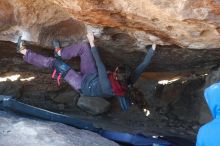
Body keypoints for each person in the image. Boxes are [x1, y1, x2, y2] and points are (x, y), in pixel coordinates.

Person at [16, 32, 156, 110]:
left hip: (83, 85)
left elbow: (100, 65)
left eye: (116, 69)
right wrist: (154, 47)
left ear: (115, 74)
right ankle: (60, 52)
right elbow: (143, 65)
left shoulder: (108, 86)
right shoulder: (129, 79)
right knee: (83, 47)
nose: (115, 68)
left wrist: (92, 42)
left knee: (55, 64)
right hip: (91, 76)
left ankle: (24, 52)